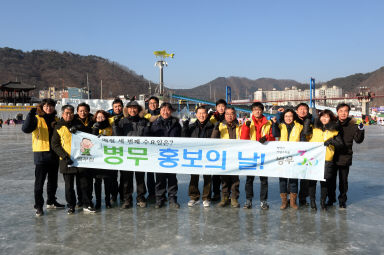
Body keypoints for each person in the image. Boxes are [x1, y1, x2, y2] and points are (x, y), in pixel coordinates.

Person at [21, 99, 65, 216]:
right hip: (41, 154)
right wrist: (30, 114)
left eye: (51, 106)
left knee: (53, 182)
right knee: (39, 183)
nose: (48, 108)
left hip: (54, 154)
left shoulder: (56, 119)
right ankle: (39, 205)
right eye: (46, 106)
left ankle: (51, 201)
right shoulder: (36, 118)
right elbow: (25, 129)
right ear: (42, 107)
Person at [51, 105, 96, 214]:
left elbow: (89, 136)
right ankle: (71, 205)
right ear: (62, 114)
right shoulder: (59, 127)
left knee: (84, 184)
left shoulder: (79, 124)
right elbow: (55, 144)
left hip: (80, 160)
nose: (69, 115)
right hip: (66, 161)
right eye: (67, 113)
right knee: (69, 186)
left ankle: (86, 203)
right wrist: (65, 157)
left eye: (71, 113)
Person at [113, 100, 149, 208]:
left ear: (138, 109)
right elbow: (116, 137)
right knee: (126, 179)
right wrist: (115, 126)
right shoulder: (122, 121)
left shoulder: (144, 121)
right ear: (127, 110)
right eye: (130, 108)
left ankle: (140, 197)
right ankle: (127, 199)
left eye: (135, 108)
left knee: (140, 178)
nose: (132, 110)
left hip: (140, 154)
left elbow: (148, 136)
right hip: (126, 154)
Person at [272, 109, 309, 210]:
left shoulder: (299, 126)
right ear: (283, 117)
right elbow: (275, 134)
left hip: (294, 156)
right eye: (286, 116)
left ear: (294, 117)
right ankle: (284, 202)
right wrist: (274, 124)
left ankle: (293, 201)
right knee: (282, 180)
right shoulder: (280, 125)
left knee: (293, 179)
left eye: (290, 116)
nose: (288, 118)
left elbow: (302, 140)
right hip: (282, 156)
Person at [240, 102, 274, 210]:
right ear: (252, 111)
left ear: (262, 111)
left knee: (264, 180)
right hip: (251, 154)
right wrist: (246, 127)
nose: (257, 111)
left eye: (259, 109)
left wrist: (267, 138)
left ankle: (263, 201)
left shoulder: (268, 123)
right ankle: (248, 200)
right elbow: (243, 139)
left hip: (264, 154)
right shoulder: (247, 122)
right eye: (255, 109)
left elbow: (273, 137)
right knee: (249, 179)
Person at [330, 103, 365, 209]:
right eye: (341, 111)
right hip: (331, 156)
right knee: (331, 180)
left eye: (345, 111)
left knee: (343, 181)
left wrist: (361, 129)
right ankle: (331, 199)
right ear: (337, 112)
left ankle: (342, 200)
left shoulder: (353, 125)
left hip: (345, 156)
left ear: (348, 113)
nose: (343, 113)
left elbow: (358, 140)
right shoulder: (332, 124)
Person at [308, 110, 343, 210]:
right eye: (322, 116)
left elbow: (340, 144)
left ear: (331, 119)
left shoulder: (334, 131)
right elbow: (305, 136)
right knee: (312, 181)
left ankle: (323, 202)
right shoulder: (314, 128)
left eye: (327, 117)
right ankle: (312, 202)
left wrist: (332, 141)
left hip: (327, 159)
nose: (324, 118)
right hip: (313, 159)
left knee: (324, 182)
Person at [149, 102, 182, 209]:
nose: (165, 112)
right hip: (159, 156)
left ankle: (172, 199)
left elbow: (183, 138)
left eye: (167, 110)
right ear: (160, 111)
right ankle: (160, 199)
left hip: (172, 155)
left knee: (172, 178)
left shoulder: (176, 123)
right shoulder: (154, 123)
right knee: (159, 179)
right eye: (163, 110)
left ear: (171, 111)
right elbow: (148, 139)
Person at [182, 106, 215, 208]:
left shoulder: (212, 126)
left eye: (204, 113)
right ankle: (194, 197)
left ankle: (206, 198)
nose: (201, 115)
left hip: (207, 156)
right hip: (195, 155)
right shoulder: (191, 126)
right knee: (194, 177)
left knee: (207, 177)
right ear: (196, 115)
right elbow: (183, 139)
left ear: (207, 114)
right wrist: (185, 126)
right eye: (199, 113)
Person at [211, 107, 241, 208]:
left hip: (235, 156)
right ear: (225, 115)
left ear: (235, 115)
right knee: (224, 178)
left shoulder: (239, 126)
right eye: (227, 114)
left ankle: (234, 198)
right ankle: (224, 197)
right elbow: (213, 140)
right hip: (224, 156)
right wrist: (215, 129)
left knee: (235, 179)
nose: (229, 115)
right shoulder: (220, 125)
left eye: (232, 113)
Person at [73, 102, 94, 208]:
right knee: (80, 179)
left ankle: (88, 199)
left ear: (88, 111)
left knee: (89, 179)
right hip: (78, 154)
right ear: (77, 112)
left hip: (91, 154)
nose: (83, 113)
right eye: (81, 111)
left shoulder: (92, 121)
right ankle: (80, 199)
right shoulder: (73, 121)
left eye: (85, 110)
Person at [91, 110, 114, 209]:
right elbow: (90, 140)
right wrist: (95, 131)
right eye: (98, 117)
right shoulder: (93, 127)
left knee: (108, 180)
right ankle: (98, 201)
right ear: (95, 118)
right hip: (97, 158)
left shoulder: (110, 127)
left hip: (108, 157)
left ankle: (108, 200)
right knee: (97, 181)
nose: (100, 119)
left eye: (102, 117)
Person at [209, 99, 227, 201]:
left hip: (226, 148)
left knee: (226, 173)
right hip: (215, 148)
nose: (221, 108)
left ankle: (226, 194)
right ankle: (216, 193)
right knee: (215, 173)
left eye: (223, 106)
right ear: (216, 107)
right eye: (219, 106)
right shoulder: (212, 118)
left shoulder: (229, 117)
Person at [143, 96, 160, 203]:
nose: (152, 105)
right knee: (149, 173)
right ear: (148, 105)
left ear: (158, 104)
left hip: (160, 147)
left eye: (154, 103)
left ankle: (160, 193)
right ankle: (151, 193)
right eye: (150, 103)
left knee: (160, 173)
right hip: (148, 148)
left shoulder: (162, 113)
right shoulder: (144, 115)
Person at [108, 98, 124, 204]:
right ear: (113, 107)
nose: (118, 108)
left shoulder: (126, 117)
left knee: (124, 176)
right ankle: (113, 195)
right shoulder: (108, 118)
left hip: (124, 150)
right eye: (115, 106)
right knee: (113, 176)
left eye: (119, 106)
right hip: (112, 150)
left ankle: (123, 195)